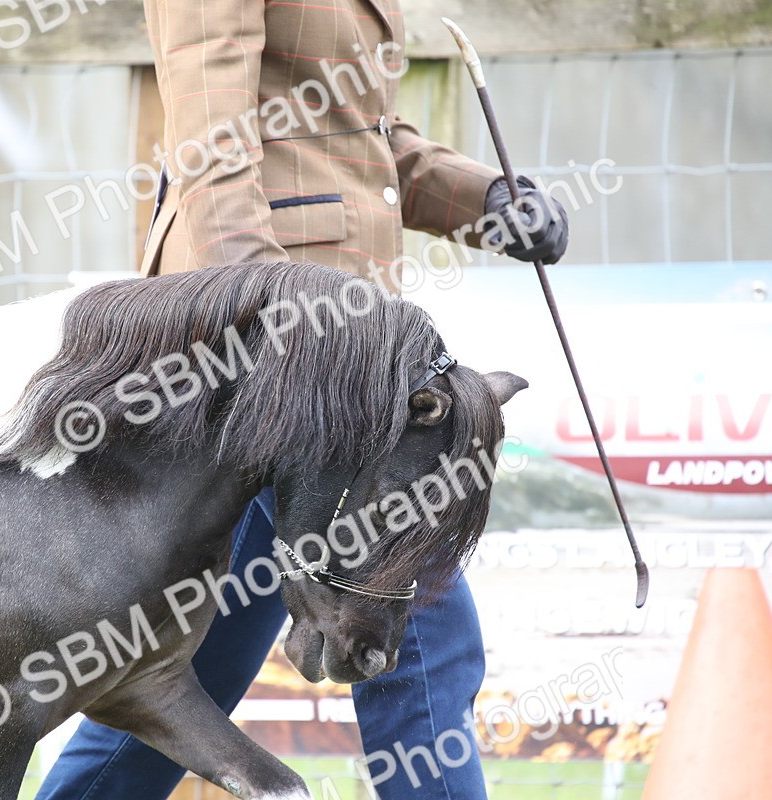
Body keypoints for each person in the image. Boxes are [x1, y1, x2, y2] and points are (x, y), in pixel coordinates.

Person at [36, 0, 568, 797]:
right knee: (417, 628)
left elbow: (359, 139)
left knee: (188, 676)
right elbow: (212, 143)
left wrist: (488, 200)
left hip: (332, 361)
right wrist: (281, 333)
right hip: (278, 367)